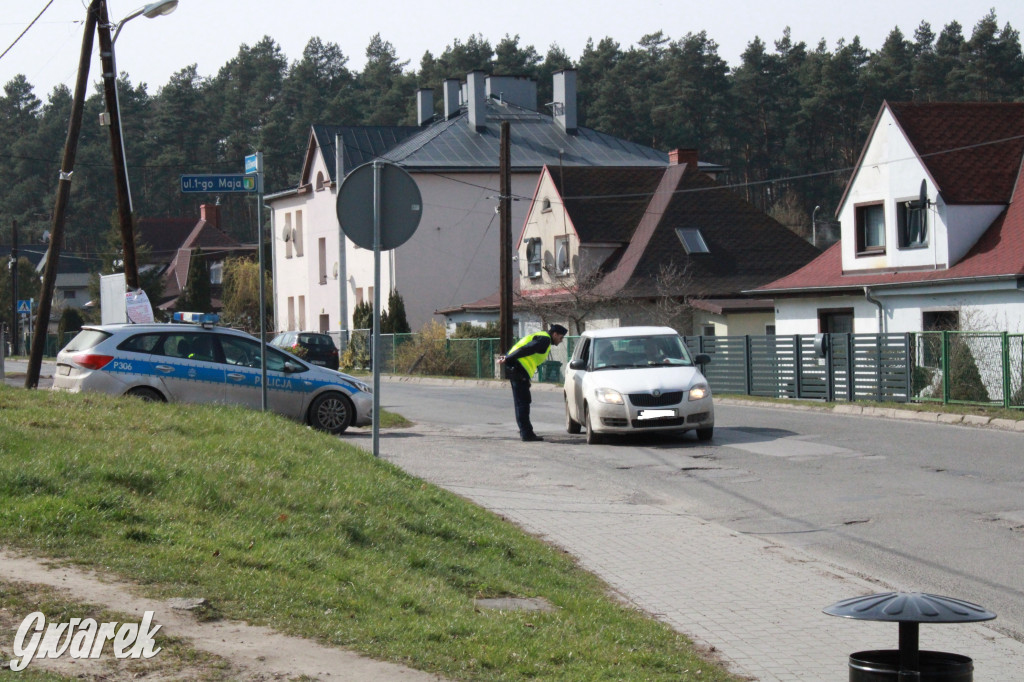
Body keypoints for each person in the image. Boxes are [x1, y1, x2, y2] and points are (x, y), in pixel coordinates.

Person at [498, 324, 568, 441]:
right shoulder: (544, 339)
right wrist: (507, 358)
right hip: (519, 369)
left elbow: (520, 347)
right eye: (560, 338)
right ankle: (526, 433)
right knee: (523, 403)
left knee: (521, 402)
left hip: (518, 370)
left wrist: (506, 356)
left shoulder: (542, 337)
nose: (561, 341)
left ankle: (525, 431)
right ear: (555, 334)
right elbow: (526, 349)